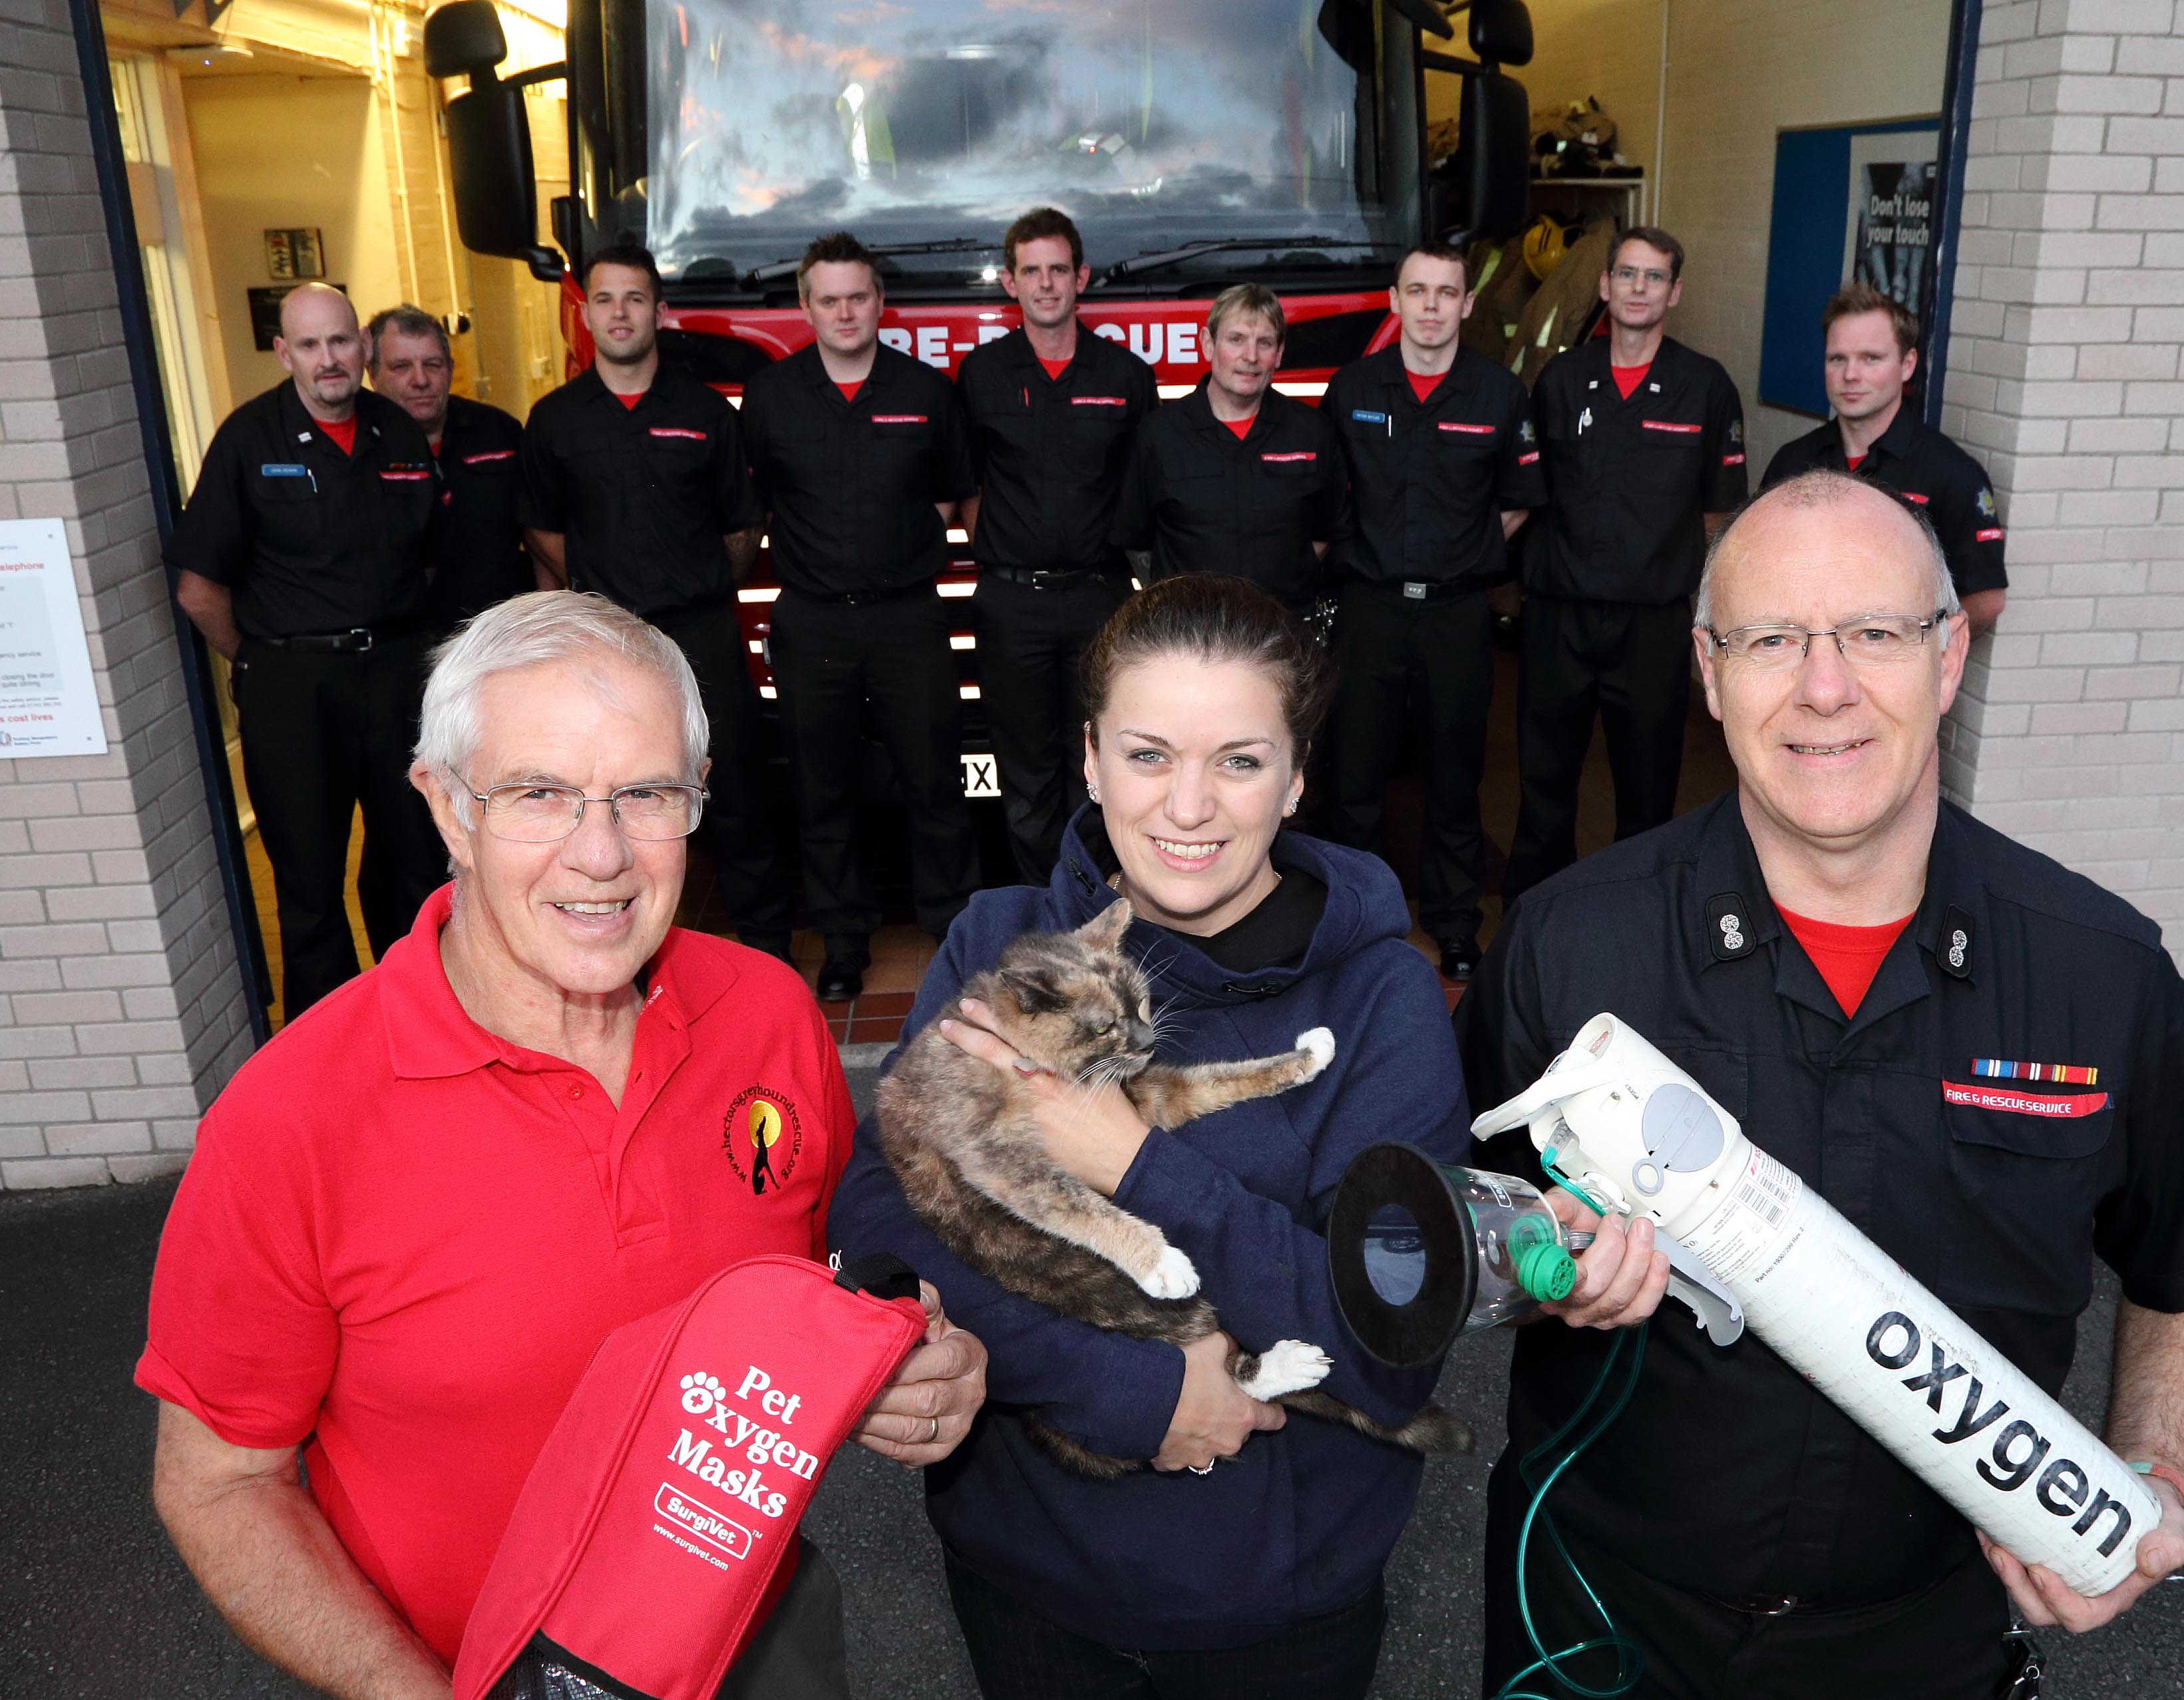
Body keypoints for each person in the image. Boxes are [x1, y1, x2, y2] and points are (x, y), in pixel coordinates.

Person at [136, 592, 988, 1699]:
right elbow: (218, 1483)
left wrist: (917, 1364)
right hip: (460, 1672)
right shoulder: (290, 1119)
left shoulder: (768, 1018)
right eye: (539, 794)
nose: (601, 855)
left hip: (756, 1636)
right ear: (447, 811)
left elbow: (827, 1280)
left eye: (644, 795)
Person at [1459, 472, 2184, 1699]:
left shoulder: (2100, 976)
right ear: (1706, 669)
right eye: (1770, 639)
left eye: (1873, 634)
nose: (1825, 687)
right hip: (1594, 1616)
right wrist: (1538, 1270)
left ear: (1947, 656)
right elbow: (1463, 1217)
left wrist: (2151, 1473)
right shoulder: (1567, 946)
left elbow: (2175, 1273)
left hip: (1926, 1640)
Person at [828, 576, 1469, 1699]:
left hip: (1277, 1603)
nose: (1188, 807)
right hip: (1027, 1566)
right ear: (1087, 758)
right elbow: (885, 1207)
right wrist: (1129, 1392)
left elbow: (1382, 1340)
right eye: (1147, 754)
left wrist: (1128, 1158)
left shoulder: (1384, 1004)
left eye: (1238, 760)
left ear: (1297, 776)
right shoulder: (996, 939)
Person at [169, 281, 445, 1017]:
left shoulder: (397, 431)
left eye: (342, 341)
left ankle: (423, 1022)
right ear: (283, 351)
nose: (330, 360)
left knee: (418, 869)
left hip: (395, 679)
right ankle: (331, 1052)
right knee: (309, 884)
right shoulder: (247, 440)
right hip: (293, 689)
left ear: (363, 347)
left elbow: (424, 560)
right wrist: (260, 661)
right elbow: (199, 587)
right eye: (312, 344)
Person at [519, 243, 795, 962]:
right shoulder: (555, 420)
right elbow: (543, 529)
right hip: (604, 647)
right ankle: (637, 952)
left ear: (659, 312)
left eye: (635, 299)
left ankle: (765, 945)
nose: (620, 313)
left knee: (734, 790)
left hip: (700, 631)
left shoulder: (706, 412)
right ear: (587, 313)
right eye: (605, 299)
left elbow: (743, 526)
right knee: (618, 797)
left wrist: (698, 581)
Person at [741, 230, 982, 1004]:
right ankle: (844, 940)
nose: (845, 311)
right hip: (812, 624)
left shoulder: (925, 392)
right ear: (806, 307)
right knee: (824, 792)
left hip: (909, 617)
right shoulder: (773, 397)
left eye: (859, 296)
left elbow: (948, 495)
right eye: (830, 298)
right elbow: (758, 503)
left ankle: (953, 934)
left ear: (880, 303)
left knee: (936, 785)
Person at [1318, 242, 1545, 983]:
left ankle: (1452, 925)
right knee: (1355, 776)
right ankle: (1354, 922)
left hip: (1455, 615)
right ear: (1396, 299)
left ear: (1466, 304)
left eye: (1446, 293)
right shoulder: (1354, 386)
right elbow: (1323, 495)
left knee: (1455, 776)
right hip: (1370, 609)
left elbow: (1517, 501)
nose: (1431, 306)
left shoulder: (1497, 393)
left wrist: (1459, 554)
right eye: (1417, 291)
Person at [1504, 227, 1747, 906]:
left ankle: (1635, 919)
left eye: (1654, 277)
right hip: (1559, 612)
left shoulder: (1704, 387)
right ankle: (1536, 913)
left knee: (1646, 785)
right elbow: (1525, 492)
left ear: (1675, 292)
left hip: (1651, 623)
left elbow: (1719, 514)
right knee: (1545, 779)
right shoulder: (1560, 380)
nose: (1639, 288)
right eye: (1628, 275)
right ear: (1606, 286)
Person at [956, 206, 1158, 883]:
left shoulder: (1125, 376)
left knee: (1102, 764)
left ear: (1082, 278)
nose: (1046, 284)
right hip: (1012, 604)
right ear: (1010, 283)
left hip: (1101, 601)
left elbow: (1142, 493)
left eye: (1058, 270)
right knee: (1028, 775)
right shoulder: (981, 375)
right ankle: (1049, 912)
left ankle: (1102, 908)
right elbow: (969, 486)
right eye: (1031, 271)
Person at [1763, 282, 2007, 635]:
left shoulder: (1951, 473)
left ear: (1907, 365)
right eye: (1838, 359)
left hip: (1896, 678)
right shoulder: (1792, 463)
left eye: (1871, 359)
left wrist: (1906, 649)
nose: (1851, 375)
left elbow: (1985, 601)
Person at [1112, 285, 1350, 619]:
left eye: (1264, 343)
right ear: (1208, 344)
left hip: (1283, 633)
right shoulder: (1159, 434)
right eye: (1236, 339)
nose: (1250, 357)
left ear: (1279, 353)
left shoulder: (1313, 433)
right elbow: (1136, 540)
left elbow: (1326, 534)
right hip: (1187, 636)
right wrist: (1176, 599)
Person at [366, 305, 530, 630]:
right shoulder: (360, 448)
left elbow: (538, 532)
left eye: (433, 364)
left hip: (500, 634)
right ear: (372, 375)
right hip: (404, 643)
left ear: (451, 369)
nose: (421, 380)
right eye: (401, 367)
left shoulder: (499, 432)